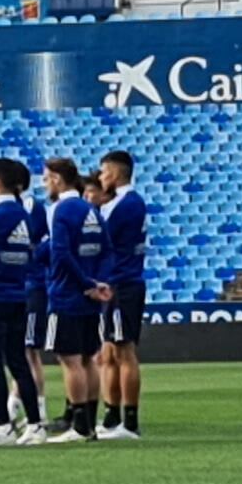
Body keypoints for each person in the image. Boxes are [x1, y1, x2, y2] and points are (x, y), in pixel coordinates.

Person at [0, 155, 46, 446]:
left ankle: (2, 424)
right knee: (19, 362)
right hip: (18, 293)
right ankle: (35, 424)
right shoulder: (23, 216)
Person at [40, 154, 104, 444]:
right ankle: (89, 423)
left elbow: (61, 253)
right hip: (90, 294)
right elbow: (108, 248)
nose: (44, 185)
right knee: (89, 359)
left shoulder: (60, 210)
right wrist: (101, 283)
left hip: (68, 293)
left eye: (45, 179)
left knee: (70, 360)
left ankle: (78, 425)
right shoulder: (90, 209)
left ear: (56, 179)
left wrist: (85, 283)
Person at [93, 148, 148, 438]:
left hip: (121, 284)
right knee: (109, 353)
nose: (101, 178)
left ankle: (130, 422)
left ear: (114, 173)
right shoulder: (132, 202)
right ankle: (113, 417)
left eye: (103, 172)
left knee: (124, 352)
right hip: (122, 283)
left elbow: (100, 239)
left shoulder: (122, 205)